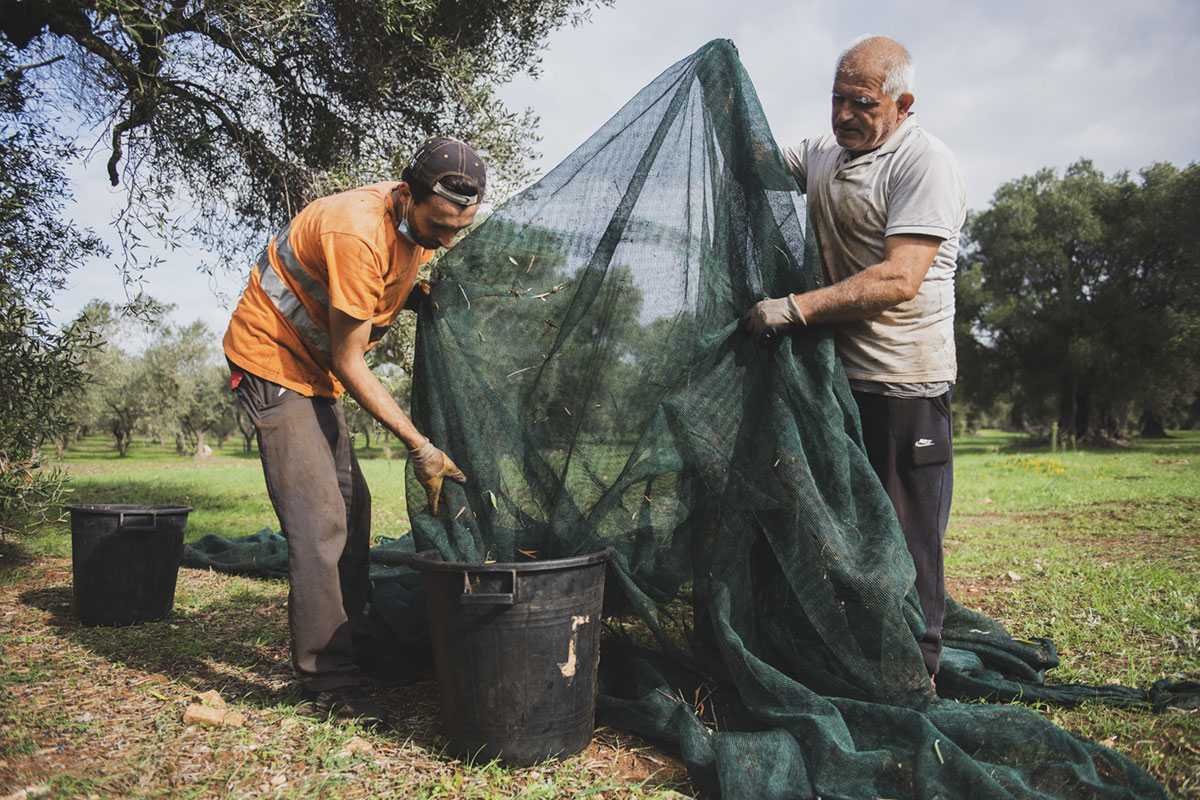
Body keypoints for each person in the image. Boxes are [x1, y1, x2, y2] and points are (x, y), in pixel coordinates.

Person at [223, 137, 486, 726]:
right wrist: (421, 445)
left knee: (354, 510)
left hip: (315, 372)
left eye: (459, 231)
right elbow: (351, 359)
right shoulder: (354, 231)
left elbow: (384, 292)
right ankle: (329, 680)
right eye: (439, 226)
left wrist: (423, 296)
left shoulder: (413, 229)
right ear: (406, 194)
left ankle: (359, 646)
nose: (446, 241)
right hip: (272, 359)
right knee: (320, 523)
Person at [743, 36, 966, 677]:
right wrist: (715, 95)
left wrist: (795, 308)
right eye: (836, 100)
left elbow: (900, 279)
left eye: (861, 104)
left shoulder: (924, 163)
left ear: (902, 104)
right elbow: (752, 156)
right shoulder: (824, 154)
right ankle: (854, 653)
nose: (842, 115)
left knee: (905, 533)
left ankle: (914, 670)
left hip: (906, 384)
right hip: (838, 384)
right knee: (844, 528)